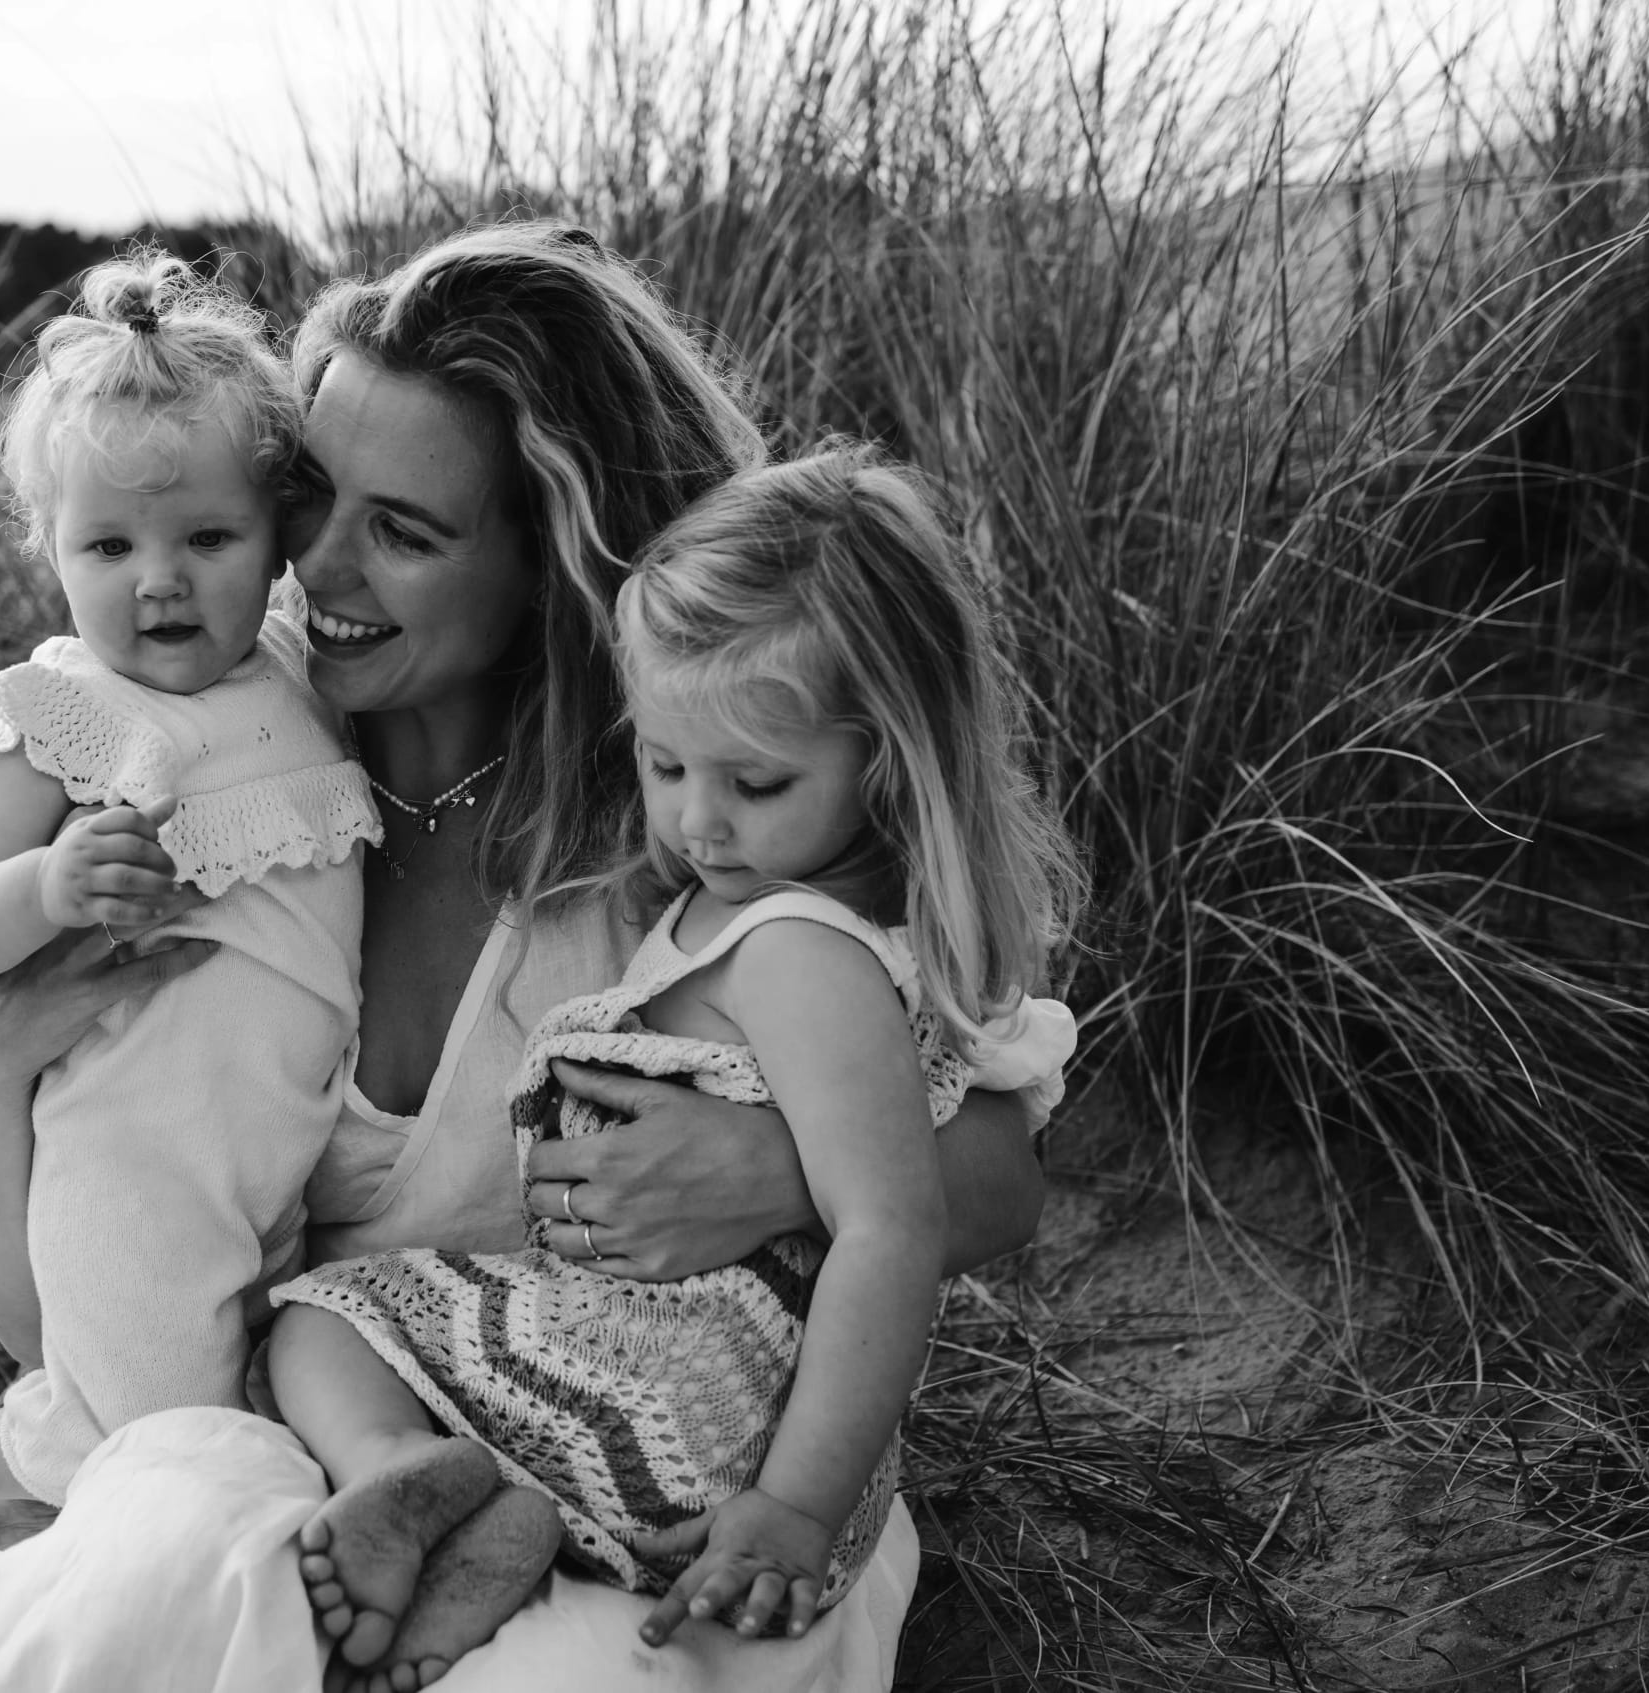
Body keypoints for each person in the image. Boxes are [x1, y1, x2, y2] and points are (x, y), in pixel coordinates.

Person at [0, 223, 1058, 1693]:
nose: (315, 562)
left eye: (406, 528)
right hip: (311, 1454)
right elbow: (61, 1323)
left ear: (554, 557)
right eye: (307, 497)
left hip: (644, 1485)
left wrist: (773, 1171)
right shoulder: (219, 764)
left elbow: (1004, 1159)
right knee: (168, 1542)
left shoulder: (707, 806)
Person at [267, 448, 1081, 1692]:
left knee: (324, 1325)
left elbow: (888, 1226)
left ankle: (396, 1461)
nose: (700, 821)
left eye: (755, 782)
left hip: (682, 1372)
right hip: (670, 1392)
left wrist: (799, 1508)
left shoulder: (798, 948)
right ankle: (497, 1520)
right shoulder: (760, 903)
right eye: (665, 766)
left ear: (885, 756)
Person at [0, 252, 380, 1588]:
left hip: (273, 1133)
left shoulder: (293, 670)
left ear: (274, 535)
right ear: (51, 551)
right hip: (126, 1144)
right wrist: (41, 886)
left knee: (249, 1398)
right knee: (146, 1423)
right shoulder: (75, 716)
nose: (159, 582)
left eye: (205, 539)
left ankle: (41, 1521)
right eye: (109, 546)